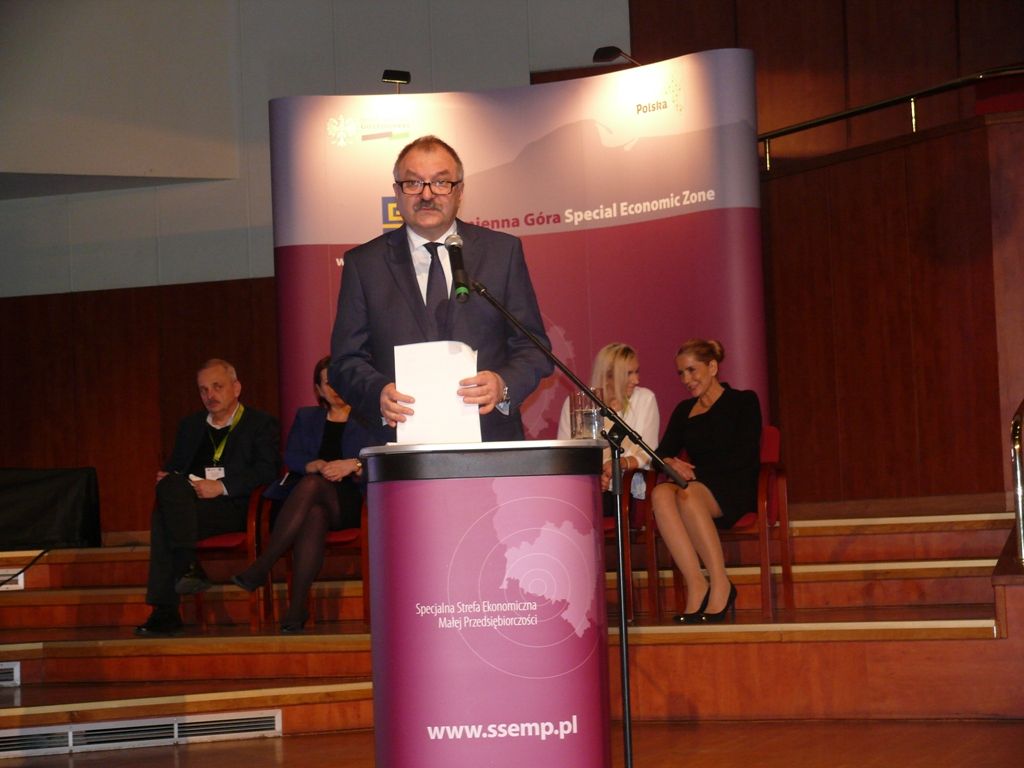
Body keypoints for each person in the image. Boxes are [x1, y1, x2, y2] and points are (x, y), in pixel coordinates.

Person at [330, 135, 552, 444]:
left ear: (459, 191)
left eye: (440, 183)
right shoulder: (364, 264)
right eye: (413, 183)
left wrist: (503, 385)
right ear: (396, 191)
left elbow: (534, 348)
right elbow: (344, 362)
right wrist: (377, 393)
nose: (427, 194)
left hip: (489, 440)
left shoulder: (501, 252)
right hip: (399, 445)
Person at [135, 359, 279, 637]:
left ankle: (167, 607)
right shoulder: (191, 426)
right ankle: (187, 567)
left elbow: (266, 471)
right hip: (193, 507)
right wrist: (169, 477)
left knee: (164, 518)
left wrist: (221, 486)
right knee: (168, 488)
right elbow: (175, 467)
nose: (210, 395)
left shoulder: (260, 424)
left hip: (235, 508)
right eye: (203, 390)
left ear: (236, 388)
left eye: (217, 387)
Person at [232, 356, 369, 633]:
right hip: (309, 503)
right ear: (318, 389)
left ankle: (263, 564)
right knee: (314, 512)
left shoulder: (368, 419)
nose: (335, 388)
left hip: (351, 500)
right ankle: (296, 611)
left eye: (340, 381)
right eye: (328, 383)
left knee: (311, 486)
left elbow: (382, 456)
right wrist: (312, 465)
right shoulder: (307, 418)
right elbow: (292, 456)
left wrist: (353, 464)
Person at [651, 339, 761, 624]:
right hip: (697, 487)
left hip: (734, 487)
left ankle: (720, 582)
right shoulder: (684, 410)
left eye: (692, 370)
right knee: (661, 494)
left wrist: (695, 473)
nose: (686, 380)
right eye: (681, 373)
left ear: (712, 367)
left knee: (688, 493)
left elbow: (746, 455)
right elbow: (659, 455)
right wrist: (670, 462)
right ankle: (697, 584)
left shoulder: (744, 401)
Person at [556, 343, 660, 516]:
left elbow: (649, 453)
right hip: (587, 485)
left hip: (626, 487)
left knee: (594, 504)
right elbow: (566, 454)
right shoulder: (579, 405)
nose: (636, 380)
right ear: (608, 376)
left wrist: (618, 465)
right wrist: (595, 476)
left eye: (637, 372)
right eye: (629, 374)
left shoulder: (645, 399)